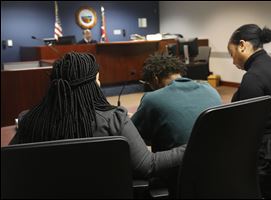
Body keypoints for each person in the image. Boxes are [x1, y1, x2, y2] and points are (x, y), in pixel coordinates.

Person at [9, 52, 186, 179]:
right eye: (98, 79)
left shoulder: (28, 120)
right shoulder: (114, 120)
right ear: (92, 84)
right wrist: (189, 146)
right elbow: (148, 166)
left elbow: (9, 164)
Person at [227, 24, 271, 162]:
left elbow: (247, 125)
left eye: (232, 54)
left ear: (242, 45)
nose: (233, 61)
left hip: (266, 149)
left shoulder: (253, 76)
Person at [131, 54, 222, 152]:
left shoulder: (152, 99)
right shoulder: (210, 89)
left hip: (177, 164)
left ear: (155, 78)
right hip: (215, 156)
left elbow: (134, 135)